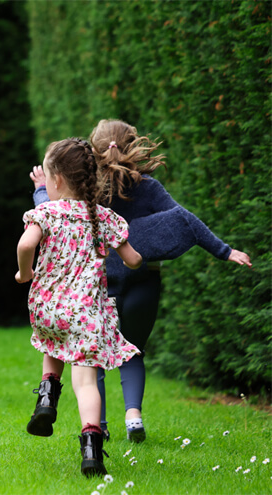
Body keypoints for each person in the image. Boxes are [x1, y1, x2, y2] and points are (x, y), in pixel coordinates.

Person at [30, 119, 252, 443]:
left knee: (94, 357)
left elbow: (52, 214)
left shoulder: (89, 190)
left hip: (100, 286)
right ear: (132, 146)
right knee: (133, 350)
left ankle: (99, 426)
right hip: (144, 280)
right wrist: (224, 250)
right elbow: (183, 219)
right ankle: (133, 416)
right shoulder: (149, 187)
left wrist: (39, 188)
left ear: (93, 150)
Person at [17, 138, 143, 476]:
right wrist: (130, 259)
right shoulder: (102, 216)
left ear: (55, 181)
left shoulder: (45, 212)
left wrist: (24, 271)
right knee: (86, 383)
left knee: (52, 342)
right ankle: (91, 448)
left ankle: (46, 397)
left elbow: (26, 243)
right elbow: (133, 259)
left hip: (47, 307)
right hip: (86, 313)